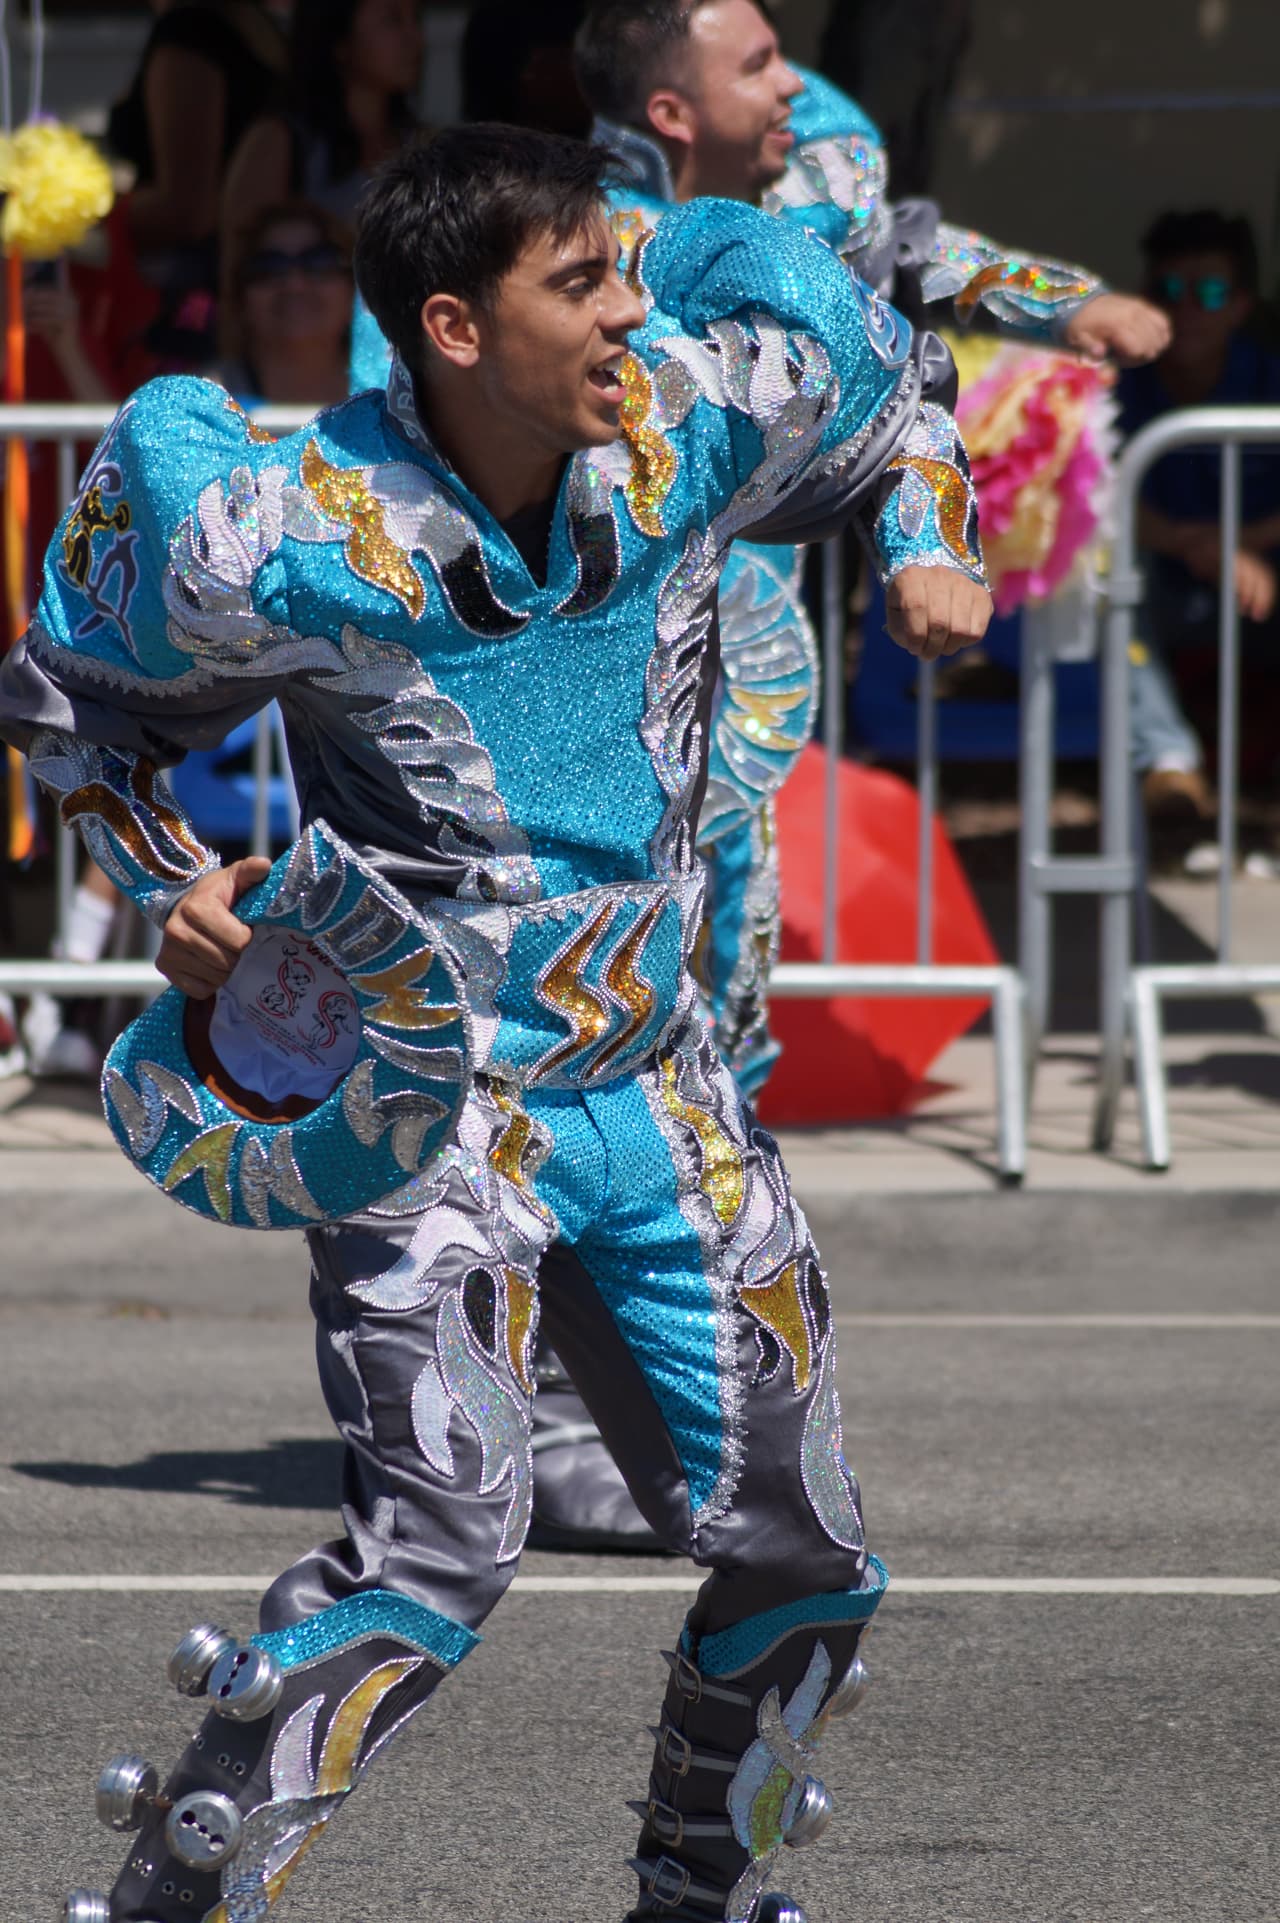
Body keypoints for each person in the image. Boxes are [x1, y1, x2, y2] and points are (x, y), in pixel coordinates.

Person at [2, 123, 991, 1923]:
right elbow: (72, 696)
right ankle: (171, 1902)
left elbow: (895, 376)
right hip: (429, 1104)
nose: (629, 313)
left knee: (810, 1555)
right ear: (454, 328)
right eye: (583, 283)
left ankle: (695, 1899)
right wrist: (167, 875)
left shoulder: (697, 421)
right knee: (437, 1557)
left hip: (663, 1092)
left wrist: (931, 539)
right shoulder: (288, 533)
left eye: (626, 270)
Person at [1118, 210, 1280, 828]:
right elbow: (1091, 497)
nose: (1186, 309)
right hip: (1160, 588)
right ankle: (1168, 762)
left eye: (1209, 292)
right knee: (1104, 576)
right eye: (1169, 290)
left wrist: (1241, 546)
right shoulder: (1112, 384)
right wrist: (1196, 546)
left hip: (1262, 589)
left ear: (1240, 306)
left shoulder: (1269, 377)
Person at [107, 0, 288, 368]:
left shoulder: (190, 34)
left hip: (186, 308)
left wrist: (81, 214)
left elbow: (188, 209)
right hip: (248, 290)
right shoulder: (256, 26)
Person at [220, 0, 422, 286]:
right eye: (392, 20)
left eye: (415, 20)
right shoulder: (279, 141)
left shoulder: (420, 143)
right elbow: (239, 273)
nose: (415, 38)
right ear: (339, 41)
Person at [213, 199, 355, 408]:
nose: (295, 285)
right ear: (240, 300)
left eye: (320, 263)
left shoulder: (393, 396)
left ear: (355, 290)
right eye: (269, 267)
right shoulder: (205, 402)